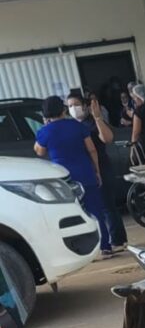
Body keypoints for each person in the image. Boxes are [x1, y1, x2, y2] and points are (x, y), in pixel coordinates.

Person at [34, 95, 113, 259]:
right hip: (85, 172)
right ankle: (105, 247)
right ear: (63, 110)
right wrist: (96, 170)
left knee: (71, 214)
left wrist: (45, 127)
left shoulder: (45, 131)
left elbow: (39, 152)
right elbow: (92, 149)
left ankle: (81, 250)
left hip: (62, 179)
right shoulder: (77, 126)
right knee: (95, 211)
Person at [66, 88, 127, 252]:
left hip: (102, 167)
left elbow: (107, 138)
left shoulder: (92, 122)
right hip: (85, 170)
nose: (73, 108)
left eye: (76, 104)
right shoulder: (72, 126)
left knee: (107, 206)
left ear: (85, 106)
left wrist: (98, 118)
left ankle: (118, 240)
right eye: (70, 106)